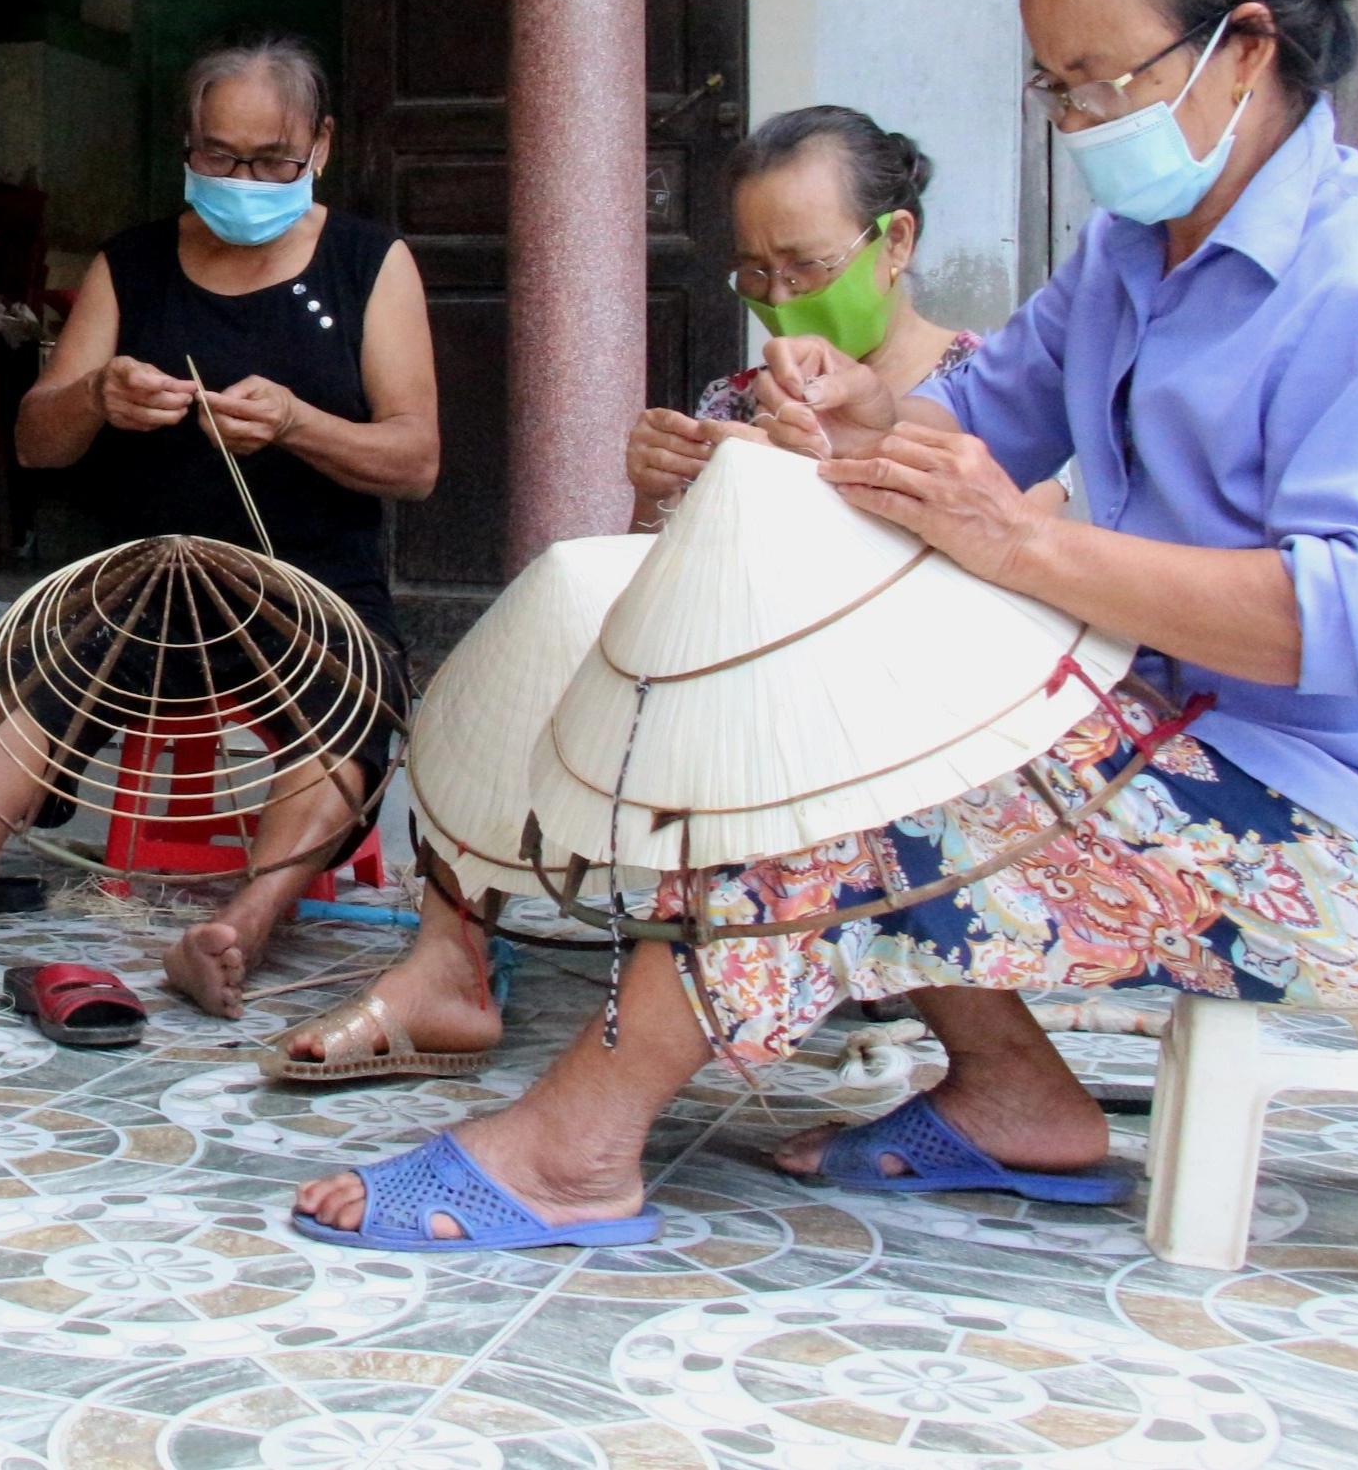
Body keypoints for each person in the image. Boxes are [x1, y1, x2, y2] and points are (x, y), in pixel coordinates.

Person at [294, 0, 1358, 1249]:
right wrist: (844, 417)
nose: (1079, 123)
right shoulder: (1136, 255)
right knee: (838, 693)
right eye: (1052, 87)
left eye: (1104, 81)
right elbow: (973, 419)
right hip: (1196, 735)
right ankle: (1018, 1101)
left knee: (835, 772)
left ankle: (580, 1145)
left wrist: (1022, 550)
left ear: (1244, 48)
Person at [275, 106, 976, 1074]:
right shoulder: (737, 396)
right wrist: (656, 495)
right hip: (718, 701)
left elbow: (971, 589)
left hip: (879, 718)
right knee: (571, 597)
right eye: (755, 273)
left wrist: (802, 476)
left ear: (892, 242)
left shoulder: (980, 387)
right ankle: (449, 951)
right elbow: (663, 579)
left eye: (807, 267)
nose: (779, 297)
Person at [0, 35, 440, 1015]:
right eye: (219, 157)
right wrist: (98, 396)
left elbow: (415, 458)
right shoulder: (133, 265)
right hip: (141, 581)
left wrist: (298, 424)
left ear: (319, 146)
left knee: (346, 720)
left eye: (269, 161)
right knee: (18, 672)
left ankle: (230, 933)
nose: (242, 180)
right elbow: (36, 443)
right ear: (185, 145)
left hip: (310, 589)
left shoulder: (368, 265)